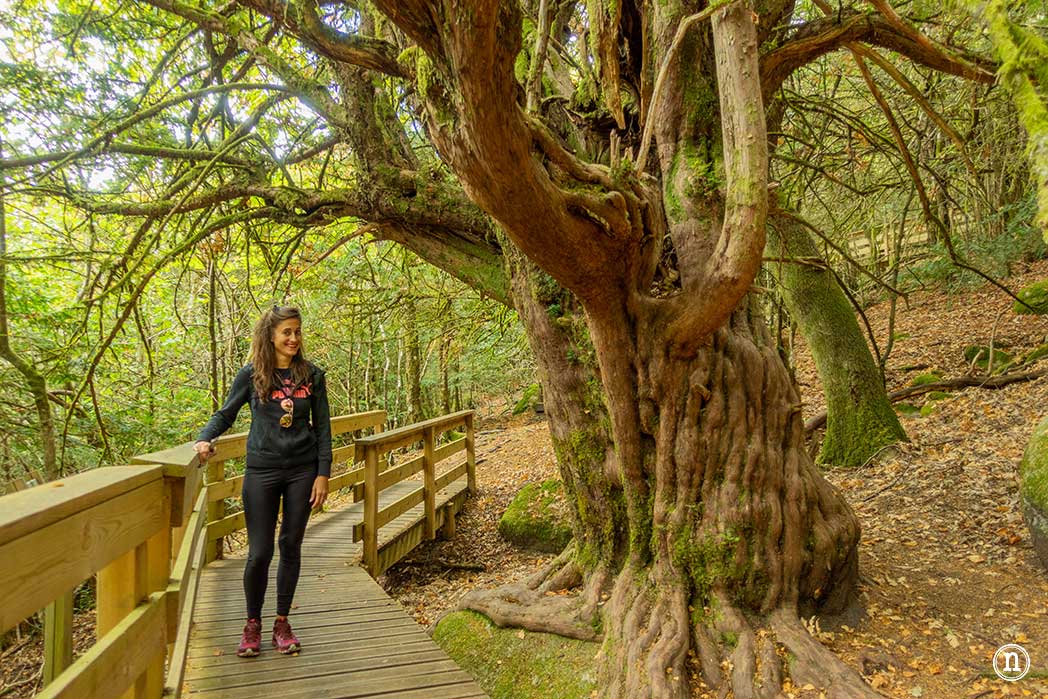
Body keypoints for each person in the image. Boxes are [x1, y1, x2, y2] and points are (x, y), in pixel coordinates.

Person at [194, 305, 332, 657]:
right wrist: (205, 438)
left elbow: (323, 429)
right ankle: (252, 625)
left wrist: (322, 473)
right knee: (259, 553)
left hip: (302, 470)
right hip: (262, 470)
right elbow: (226, 413)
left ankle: (282, 623)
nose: (293, 338)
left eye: (298, 331)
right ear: (270, 335)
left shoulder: (312, 376)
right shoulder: (252, 375)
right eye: (287, 332)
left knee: (290, 545)